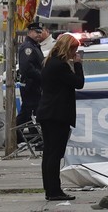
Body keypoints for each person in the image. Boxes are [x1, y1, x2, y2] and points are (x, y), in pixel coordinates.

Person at [36, 34, 84, 200]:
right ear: (67, 48)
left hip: (48, 112)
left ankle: (50, 189)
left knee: (49, 153)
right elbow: (79, 83)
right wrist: (78, 65)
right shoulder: (60, 66)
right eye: (74, 50)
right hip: (57, 114)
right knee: (55, 153)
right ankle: (55, 191)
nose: (75, 54)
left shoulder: (49, 62)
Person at [16, 22, 44, 144]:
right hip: (31, 85)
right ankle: (16, 136)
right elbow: (27, 68)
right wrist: (42, 77)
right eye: (36, 32)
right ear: (29, 32)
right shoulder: (28, 47)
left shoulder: (35, 46)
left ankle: (32, 138)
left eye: (40, 32)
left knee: (30, 113)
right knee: (28, 112)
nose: (39, 34)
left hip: (35, 85)